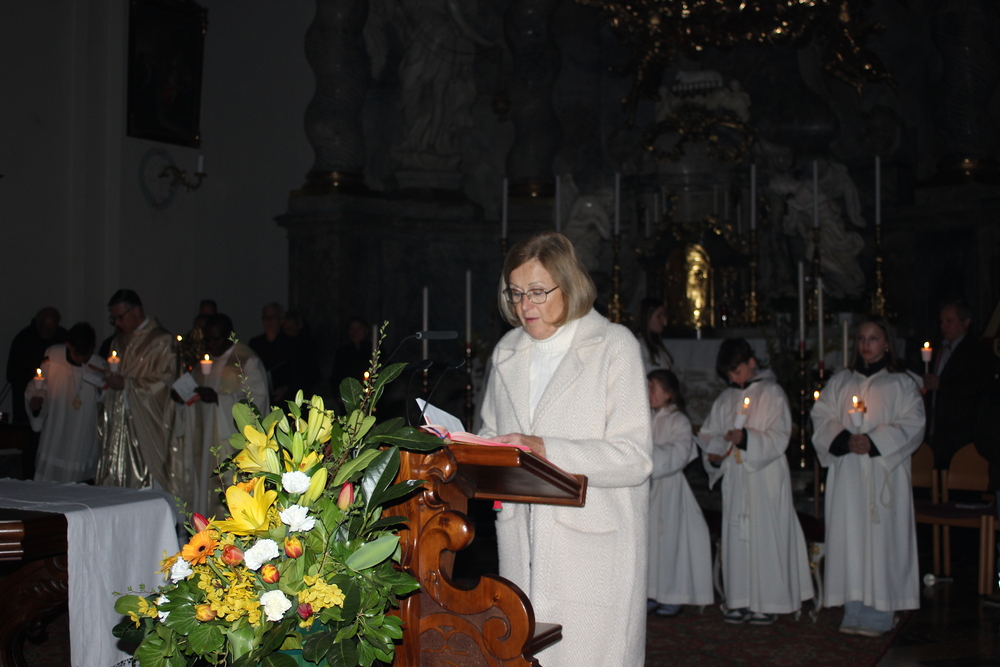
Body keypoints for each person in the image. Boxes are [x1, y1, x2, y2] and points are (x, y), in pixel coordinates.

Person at [478, 231, 652, 667]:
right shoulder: (506, 352)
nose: (525, 305)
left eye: (538, 291)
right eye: (516, 293)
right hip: (521, 544)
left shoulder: (613, 346)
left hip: (592, 545)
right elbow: (492, 435)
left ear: (569, 285)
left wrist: (543, 448)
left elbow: (635, 458)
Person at [811, 316, 925, 636]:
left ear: (887, 343)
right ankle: (853, 609)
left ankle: (881, 613)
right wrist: (844, 440)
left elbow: (914, 423)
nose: (866, 344)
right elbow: (821, 417)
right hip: (848, 474)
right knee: (850, 541)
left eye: (873, 338)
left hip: (883, 474)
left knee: (882, 542)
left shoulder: (901, 384)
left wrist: (874, 442)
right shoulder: (841, 382)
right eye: (861, 338)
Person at [698, 338, 812, 625]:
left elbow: (780, 435)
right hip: (736, 478)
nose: (733, 379)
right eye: (728, 375)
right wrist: (715, 454)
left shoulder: (772, 393)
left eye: (737, 372)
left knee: (766, 535)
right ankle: (740, 600)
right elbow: (709, 434)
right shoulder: (725, 399)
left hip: (765, 478)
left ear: (751, 363)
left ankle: (768, 601)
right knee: (737, 536)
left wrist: (747, 438)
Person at [173, 314, 268, 516]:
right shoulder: (203, 363)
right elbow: (193, 394)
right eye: (207, 340)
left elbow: (257, 399)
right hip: (204, 441)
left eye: (215, 339)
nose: (211, 345)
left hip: (228, 443)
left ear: (229, 335)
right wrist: (183, 397)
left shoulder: (247, 360)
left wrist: (219, 399)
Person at [95, 289, 178, 492]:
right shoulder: (119, 341)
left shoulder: (161, 340)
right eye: (113, 318)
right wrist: (108, 381)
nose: (116, 323)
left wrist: (128, 384)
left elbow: (167, 382)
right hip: (118, 421)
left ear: (136, 311)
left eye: (119, 317)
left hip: (145, 425)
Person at [646, 369, 713, 617]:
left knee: (670, 542)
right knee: (650, 542)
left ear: (669, 393)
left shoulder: (679, 421)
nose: (648, 393)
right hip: (647, 489)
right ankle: (652, 592)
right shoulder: (645, 417)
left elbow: (680, 453)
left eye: (653, 388)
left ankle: (673, 594)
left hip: (671, 490)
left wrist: (647, 456)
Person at [25, 322, 103, 483]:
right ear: (68, 345)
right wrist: (36, 401)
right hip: (57, 428)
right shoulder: (53, 356)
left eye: (86, 354)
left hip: (83, 431)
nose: (82, 359)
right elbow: (39, 384)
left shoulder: (100, 365)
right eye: (78, 354)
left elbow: (106, 401)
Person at [924, 299, 996, 469]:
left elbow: (978, 388)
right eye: (942, 321)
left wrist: (942, 385)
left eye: (949, 321)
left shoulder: (977, 351)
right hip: (938, 427)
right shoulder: (940, 348)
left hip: (961, 430)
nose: (944, 326)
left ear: (965, 323)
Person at [6, 307, 67, 425]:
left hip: (55, 403)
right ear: (39, 324)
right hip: (25, 406)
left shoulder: (63, 339)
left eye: (52, 329)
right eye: (46, 329)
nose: (50, 332)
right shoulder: (23, 340)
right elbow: (11, 374)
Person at [249, 302, 293, 403]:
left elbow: (301, 375)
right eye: (265, 317)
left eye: (272, 317)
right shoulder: (255, 344)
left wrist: (286, 388)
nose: (268, 321)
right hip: (260, 398)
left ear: (281, 320)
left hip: (285, 400)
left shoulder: (291, 344)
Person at [330, 317, 372, 392]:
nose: (355, 332)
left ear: (366, 330)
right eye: (352, 329)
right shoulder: (342, 353)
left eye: (358, 329)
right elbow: (336, 378)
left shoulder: (374, 350)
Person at [636, 297, 673, 372]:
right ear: (647, 318)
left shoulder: (657, 344)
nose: (663, 321)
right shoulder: (639, 345)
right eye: (659, 316)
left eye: (664, 316)